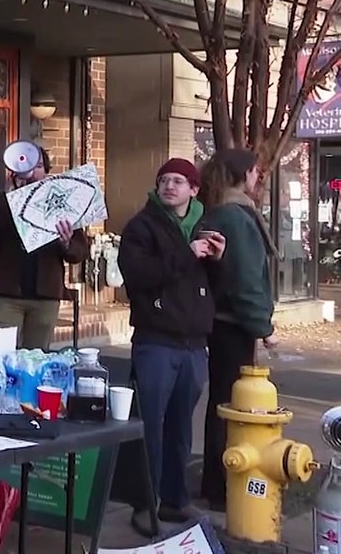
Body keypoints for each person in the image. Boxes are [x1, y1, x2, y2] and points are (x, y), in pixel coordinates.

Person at [118, 158, 225, 529]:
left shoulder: (206, 225)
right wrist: (186, 254)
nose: (169, 186)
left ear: (194, 189)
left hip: (194, 344)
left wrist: (218, 260)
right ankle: (144, 504)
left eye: (179, 181)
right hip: (156, 341)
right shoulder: (141, 227)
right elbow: (137, 275)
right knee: (149, 426)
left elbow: (221, 285)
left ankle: (175, 500)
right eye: (164, 180)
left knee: (181, 428)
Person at [198, 148, 276, 511]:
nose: (258, 177)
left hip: (220, 321)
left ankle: (215, 483)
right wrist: (264, 326)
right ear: (244, 175)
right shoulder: (236, 217)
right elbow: (244, 279)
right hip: (232, 324)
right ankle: (222, 485)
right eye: (256, 171)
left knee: (222, 402)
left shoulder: (220, 212)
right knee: (232, 405)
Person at [0, 147, 89, 350]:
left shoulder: (61, 204)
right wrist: (10, 196)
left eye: (37, 166)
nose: (32, 172)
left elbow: (78, 253)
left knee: (36, 360)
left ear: (46, 172)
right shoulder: (2, 201)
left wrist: (66, 243)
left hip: (44, 298)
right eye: (27, 165)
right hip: (5, 295)